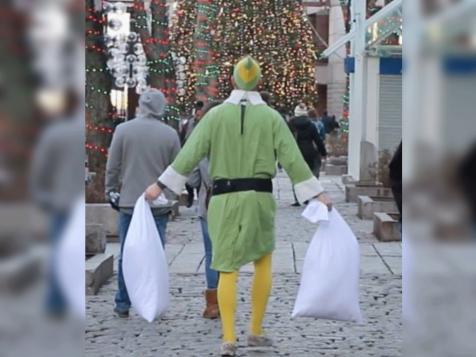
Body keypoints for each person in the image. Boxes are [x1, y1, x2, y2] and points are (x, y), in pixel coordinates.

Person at [145, 56, 332, 356]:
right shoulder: (272, 118)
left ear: (233, 80)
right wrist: (317, 193)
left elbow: (189, 154)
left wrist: (159, 186)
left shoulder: (215, 116)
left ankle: (229, 337)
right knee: (263, 262)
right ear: (257, 82)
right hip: (259, 198)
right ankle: (255, 331)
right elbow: (293, 159)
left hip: (222, 198)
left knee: (226, 267)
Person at [105, 88, 181, 318]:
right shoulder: (169, 134)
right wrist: (171, 195)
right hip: (158, 202)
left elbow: (113, 165)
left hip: (129, 201)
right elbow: (178, 169)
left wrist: (110, 190)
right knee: (154, 254)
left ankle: (123, 302)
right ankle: (153, 299)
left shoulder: (123, 130)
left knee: (127, 253)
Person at [30, 89, 84, 317]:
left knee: (59, 253)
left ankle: (56, 302)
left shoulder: (53, 134)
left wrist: (41, 196)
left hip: (61, 200)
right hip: (80, 200)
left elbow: (40, 168)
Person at [187, 101, 223, 319]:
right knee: (227, 253)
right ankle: (227, 298)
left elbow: (192, 178)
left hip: (208, 201)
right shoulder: (232, 142)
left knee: (211, 254)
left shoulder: (202, 144)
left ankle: (213, 304)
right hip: (231, 200)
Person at [289, 103, 327, 206]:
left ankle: (299, 198)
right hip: (310, 152)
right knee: (311, 175)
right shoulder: (311, 125)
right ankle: (312, 195)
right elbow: (318, 140)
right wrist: (323, 152)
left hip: (296, 153)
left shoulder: (290, 125)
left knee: (296, 176)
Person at [181, 100, 205, 207]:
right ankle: (190, 195)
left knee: (202, 179)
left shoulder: (207, 122)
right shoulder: (189, 123)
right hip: (190, 152)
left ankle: (201, 200)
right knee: (188, 179)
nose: (198, 115)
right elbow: (183, 136)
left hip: (202, 154)